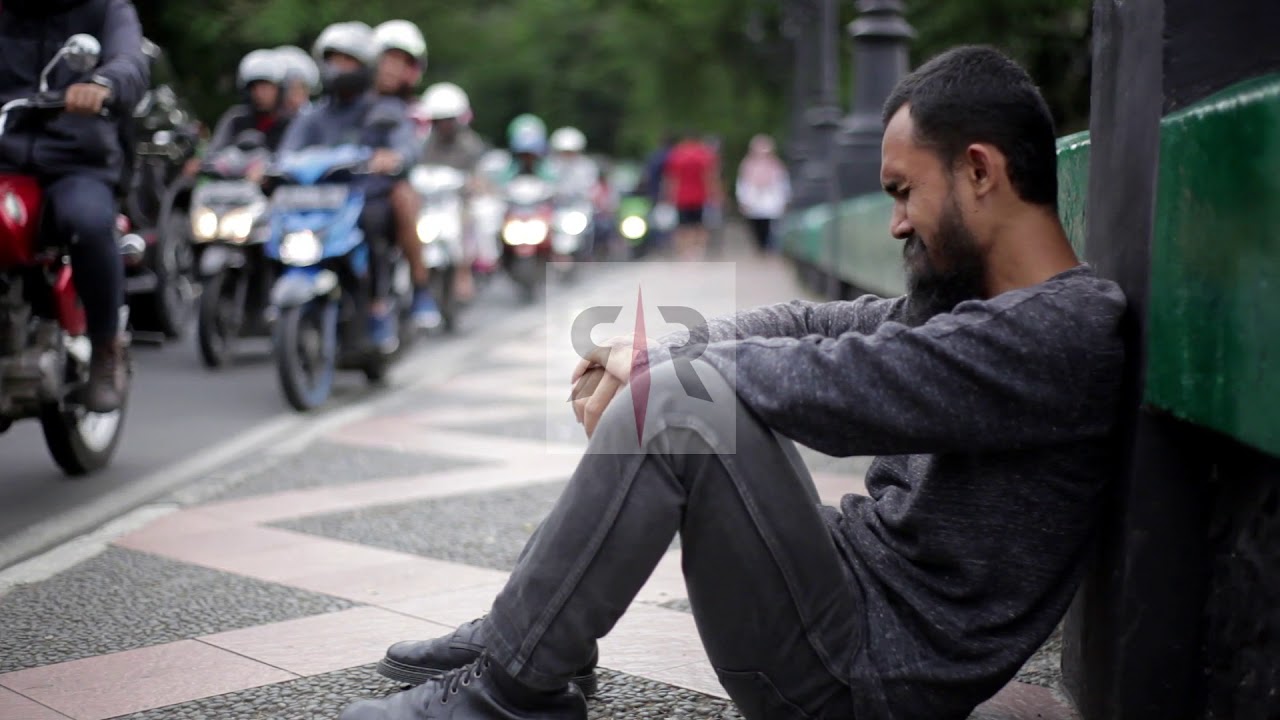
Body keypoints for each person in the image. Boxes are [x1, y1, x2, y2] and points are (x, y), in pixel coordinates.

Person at [339, 45, 1129, 720]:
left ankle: (511, 691)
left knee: (683, 403)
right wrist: (654, 344)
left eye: (903, 191)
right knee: (685, 382)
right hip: (846, 598)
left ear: (980, 171)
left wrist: (656, 371)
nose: (896, 223)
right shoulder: (975, 306)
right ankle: (534, 633)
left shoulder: (1061, 331)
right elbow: (810, 327)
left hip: (866, 676)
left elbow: (840, 381)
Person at [0, 0, 149, 413]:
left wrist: (104, 83)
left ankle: (105, 349)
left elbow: (131, 61)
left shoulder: (105, 10)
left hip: (74, 158)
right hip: (5, 156)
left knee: (87, 221)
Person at [277, 21, 418, 354]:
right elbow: (286, 153)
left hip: (363, 200)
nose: (337, 68)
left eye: (347, 60)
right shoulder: (312, 116)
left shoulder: (383, 110)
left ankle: (377, 306)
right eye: (332, 59)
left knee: (374, 220)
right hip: (318, 205)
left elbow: (406, 147)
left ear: (365, 65)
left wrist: (391, 157)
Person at [369, 19, 434, 334]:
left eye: (400, 61)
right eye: (386, 59)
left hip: (398, 184)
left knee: (402, 197)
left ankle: (420, 285)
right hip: (351, 183)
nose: (391, 68)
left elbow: (411, 150)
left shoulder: (414, 111)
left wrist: (394, 158)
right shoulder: (354, 100)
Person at [419, 81, 486, 309]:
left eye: (449, 119)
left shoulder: (470, 145)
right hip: (430, 206)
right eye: (440, 120)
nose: (445, 125)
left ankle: (463, 273)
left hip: (458, 204)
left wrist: (474, 185)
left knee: (469, 220)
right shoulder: (423, 145)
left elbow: (480, 176)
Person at [205, 49, 290, 159]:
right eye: (254, 88)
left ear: (279, 89)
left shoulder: (290, 122)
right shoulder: (236, 118)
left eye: (265, 87)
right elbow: (214, 154)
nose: (259, 94)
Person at [663, 129, 721, 261]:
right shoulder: (705, 154)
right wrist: (715, 194)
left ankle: (684, 252)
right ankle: (698, 251)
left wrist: (669, 195)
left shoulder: (676, 154)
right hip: (700, 196)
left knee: (682, 225)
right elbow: (710, 177)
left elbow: (671, 178)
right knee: (699, 224)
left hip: (681, 196)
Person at [735, 133, 791, 254]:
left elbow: (782, 183)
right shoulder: (747, 165)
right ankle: (760, 247)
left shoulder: (776, 165)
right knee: (756, 226)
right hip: (754, 200)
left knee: (771, 226)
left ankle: (769, 248)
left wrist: (785, 199)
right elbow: (743, 184)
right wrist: (743, 200)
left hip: (771, 200)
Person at [274, 45, 320, 118]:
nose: (291, 96)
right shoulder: (274, 118)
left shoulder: (315, 118)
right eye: (287, 90)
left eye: (297, 90)